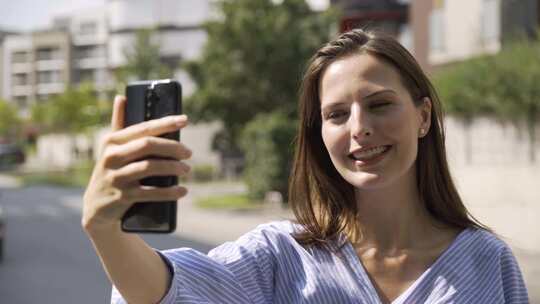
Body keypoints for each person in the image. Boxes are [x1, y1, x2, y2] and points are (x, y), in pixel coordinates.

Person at [82, 29, 530, 304]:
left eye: (379, 105)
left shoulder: (486, 263)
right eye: (336, 115)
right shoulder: (282, 256)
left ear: (424, 117)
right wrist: (104, 229)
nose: (359, 128)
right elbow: (166, 292)